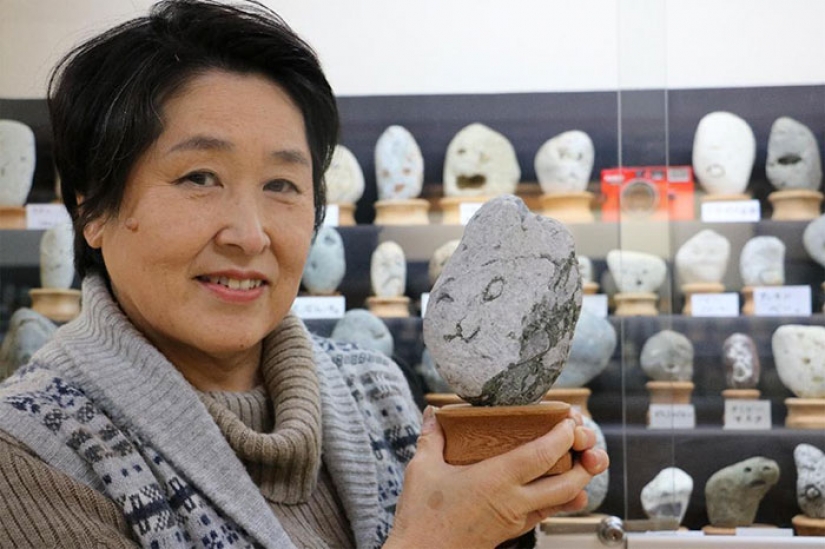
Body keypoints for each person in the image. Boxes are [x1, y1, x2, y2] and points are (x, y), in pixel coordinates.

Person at [0, 1, 609, 548]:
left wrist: (505, 513)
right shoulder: (28, 452)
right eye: (199, 178)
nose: (250, 233)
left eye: (282, 185)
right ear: (93, 210)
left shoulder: (379, 392)